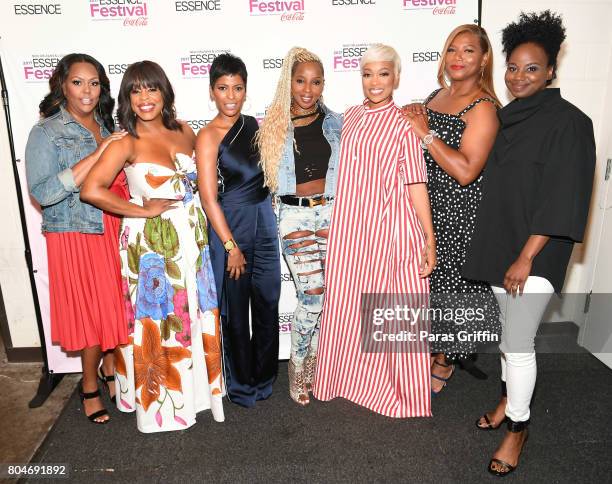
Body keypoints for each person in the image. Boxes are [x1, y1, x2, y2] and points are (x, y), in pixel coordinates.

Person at [461, 11, 595, 476]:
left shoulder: (570, 122)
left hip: (535, 250)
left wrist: (525, 257)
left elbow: (564, 195)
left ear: (551, 71)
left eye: (531, 68)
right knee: (508, 337)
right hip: (504, 241)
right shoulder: (506, 116)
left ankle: (518, 427)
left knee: (518, 343)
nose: (519, 76)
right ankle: (505, 398)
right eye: (513, 67)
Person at [81, 60, 224, 433]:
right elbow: (90, 189)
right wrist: (139, 210)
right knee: (159, 322)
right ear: (128, 98)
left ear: (164, 93)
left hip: (191, 238)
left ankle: (193, 398)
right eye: (136, 90)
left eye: (152, 89)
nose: (145, 98)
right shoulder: (125, 141)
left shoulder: (184, 130)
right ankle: (161, 408)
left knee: (191, 314)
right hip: (151, 244)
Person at [313, 44, 436, 417]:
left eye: (384, 73)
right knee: (348, 305)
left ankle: (400, 393)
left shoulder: (404, 124)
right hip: (351, 230)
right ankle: (348, 381)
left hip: (391, 228)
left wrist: (429, 239)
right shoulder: (348, 117)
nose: (375, 81)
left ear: (396, 77)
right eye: (368, 74)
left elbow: (416, 183)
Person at [25, 53, 128, 424]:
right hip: (73, 234)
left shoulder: (107, 123)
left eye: (94, 83)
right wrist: (97, 153)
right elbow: (44, 192)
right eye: (78, 82)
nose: (87, 91)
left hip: (111, 229)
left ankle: (110, 368)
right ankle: (88, 385)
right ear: (62, 85)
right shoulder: (46, 131)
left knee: (112, 309)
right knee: (88, 316)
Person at [403, 24, 502, 393]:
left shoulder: (484, 108)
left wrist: (424, 133)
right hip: (427, 207)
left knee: (454, 287)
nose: (458, 58)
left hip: (460, 213)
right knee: (428, 287)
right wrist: (416, 117)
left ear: (483, 59)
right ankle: (429, 349)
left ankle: (444, 358)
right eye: (452, 50)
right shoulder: (435, 95)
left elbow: (465, 170)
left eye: (468, 51)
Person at [256, 47, 342, 406]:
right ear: (289, 82)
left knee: (330, 296)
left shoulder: (338, 121)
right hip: (294, 217)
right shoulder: (273, 125)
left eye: (316, 81)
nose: (308, 88)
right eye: (301, 80)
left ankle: (319, 365)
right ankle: (298, 363)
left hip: (333, 212)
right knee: (312, 295)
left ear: (324, 84)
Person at [196, 53, 281, 408]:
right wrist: (230, 245)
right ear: (212, 91)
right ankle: (242, 386)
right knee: (235, 311)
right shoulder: (208, 136)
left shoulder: (254, 125)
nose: (230, 96)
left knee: (268, 302)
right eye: (222, 88)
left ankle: (264, 378)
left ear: (246, 89)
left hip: (264, 220)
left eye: (237, 88)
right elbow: (208, 197)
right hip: (230, 224)